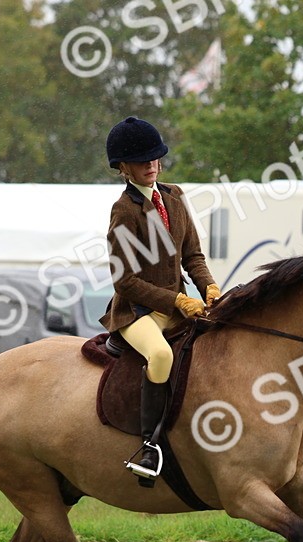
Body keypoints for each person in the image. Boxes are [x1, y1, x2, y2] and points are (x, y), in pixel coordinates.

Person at [100, 116, 221, 481]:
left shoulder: (176, 196)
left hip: (178, 306)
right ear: (123, 168)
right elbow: (125, 280)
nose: (151, 164)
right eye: (141, 160)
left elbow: (193, 257)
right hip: (138, 313)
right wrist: (177, 302)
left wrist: (209, 288)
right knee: (161, 354)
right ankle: (150, 446)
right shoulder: (124, 211)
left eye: (154, 157)